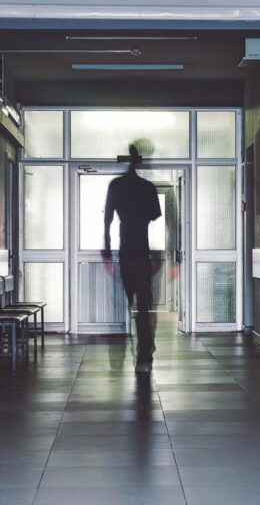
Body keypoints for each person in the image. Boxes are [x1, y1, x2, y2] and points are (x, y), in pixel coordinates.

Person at [103, 143, 161, 374]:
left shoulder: (116, 186)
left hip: (126, 252)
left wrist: (107, 252)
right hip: (142, 253)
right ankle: (144, 355)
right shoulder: (147, 187)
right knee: (144, 308)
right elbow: (155, 216)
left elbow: (107, 220)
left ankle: (132, 350)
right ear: (141, 161)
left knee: (127, 304)